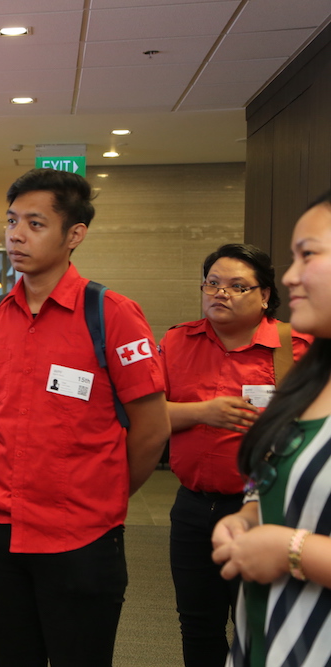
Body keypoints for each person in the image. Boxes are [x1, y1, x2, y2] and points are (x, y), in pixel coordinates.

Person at [0, 168, 170, 666]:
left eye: (35, 224)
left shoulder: (112, 313)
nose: (16, 234)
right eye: (11, 221)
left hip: (81, 537)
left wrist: (102, 494)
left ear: (74, 234)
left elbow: (152, 429)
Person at [161, 244, 311, 667]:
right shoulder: (177, 341)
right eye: (212, 283)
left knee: (262, 626)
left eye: (236, 286)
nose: (220, 293)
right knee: (197, 624)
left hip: (266, 509)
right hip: (192, 508)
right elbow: (146, 416)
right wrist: (202, 412)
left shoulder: (295, 347)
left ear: (265, 295)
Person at [212, 191, 331, 666]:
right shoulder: (311, 375)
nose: (289, 277)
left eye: (309, 255)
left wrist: (292, 550)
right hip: (269, 638)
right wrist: (249, 517)